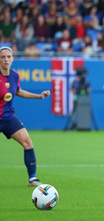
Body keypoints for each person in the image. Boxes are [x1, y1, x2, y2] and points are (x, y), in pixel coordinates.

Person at [0, 46, 50, 186]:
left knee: (27, 142)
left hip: (8, 118)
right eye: (2, 57)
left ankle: (32, 179)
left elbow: (19, 92)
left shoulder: (15, 76)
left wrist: (39, 96)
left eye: (8, 57)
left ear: (13, 59)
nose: (6, 59)